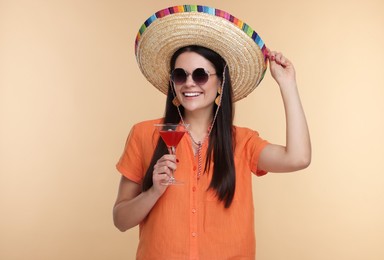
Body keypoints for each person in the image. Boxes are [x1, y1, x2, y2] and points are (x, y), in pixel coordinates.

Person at [113, 5, 311, 260]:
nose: (189, 83)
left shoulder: (242, 142)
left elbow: (299, 158)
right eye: (179, 75)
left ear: (220, 82)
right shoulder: (144, 135)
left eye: (200, 75)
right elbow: (120, 220)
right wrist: (154, 191)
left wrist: (287, 84)